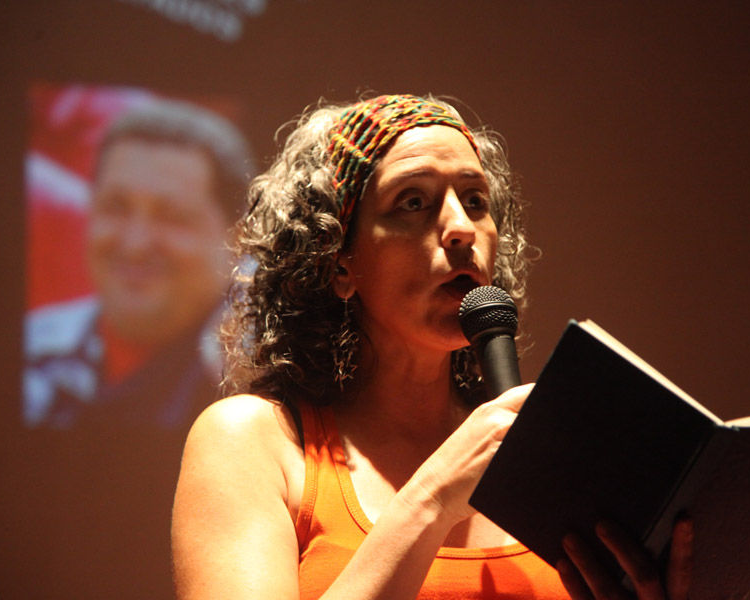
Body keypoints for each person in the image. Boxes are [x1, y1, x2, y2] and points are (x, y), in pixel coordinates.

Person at [171, 94, 693, 599]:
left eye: (475, 201)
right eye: (413, 202)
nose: (462, 229)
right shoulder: (255, 442)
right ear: (337, 261)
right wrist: (433, 498)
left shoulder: (558, 458)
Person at [23, 98, 253, 429]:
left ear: (238, 236)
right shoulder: (30, 349)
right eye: (116, 207)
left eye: (172, 217)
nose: (135, 244)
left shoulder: (261, 382)